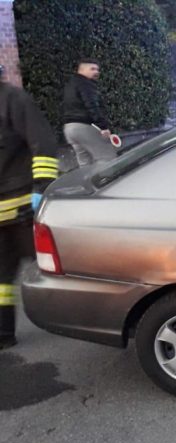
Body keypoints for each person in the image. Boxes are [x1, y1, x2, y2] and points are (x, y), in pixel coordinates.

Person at [0, 65, 60, 350]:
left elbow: (43, 144)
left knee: (58, 263)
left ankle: (86, 319)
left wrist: (40, 189)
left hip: (24, 209)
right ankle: (3, 334)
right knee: (0, 281)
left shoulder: (14, 100)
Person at [62, 58, 117, 167]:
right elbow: (91, 105)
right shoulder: (85, 84)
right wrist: (103, 126)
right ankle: (111, 183)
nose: (96, 72)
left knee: (85, 164)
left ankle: (87, 183)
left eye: (97, 69)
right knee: (107, 158)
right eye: (92, 69)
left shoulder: (70, 84)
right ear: (81, 69)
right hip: (85, 126)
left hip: (69, 128)